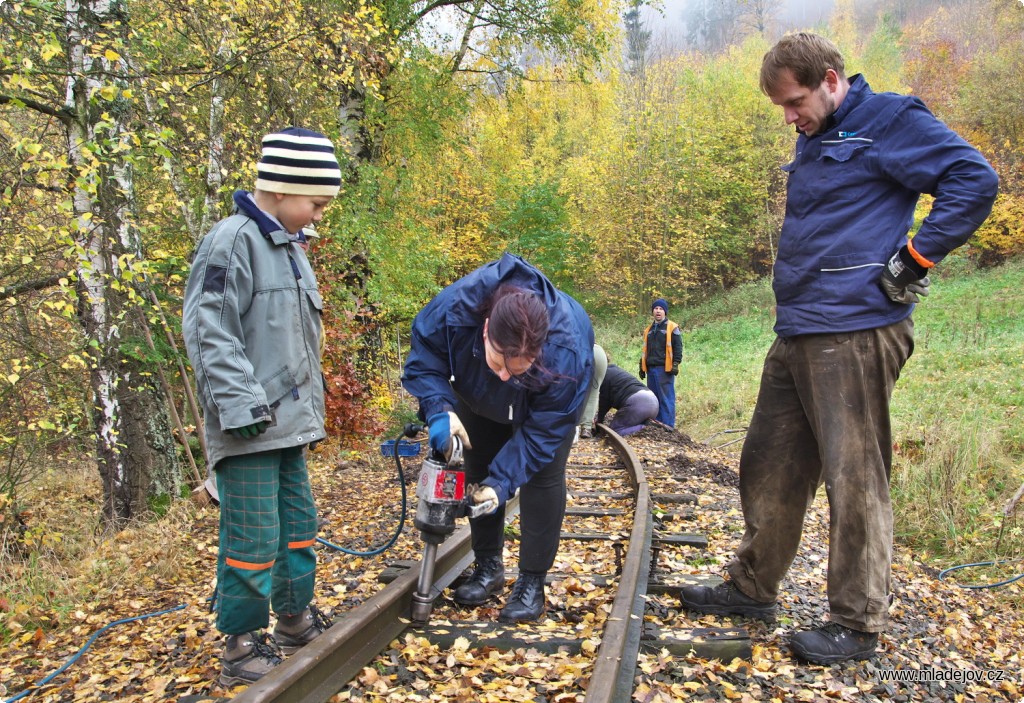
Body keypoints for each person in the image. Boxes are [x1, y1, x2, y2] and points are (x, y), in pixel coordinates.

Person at [679, 33, 998, 665]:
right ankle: (753, 586)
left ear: (830, 79)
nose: (790, 117)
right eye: (783, 109)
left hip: (855, 330)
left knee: (855, 476)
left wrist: (916, 257)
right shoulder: (814, 138)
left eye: (795, 102)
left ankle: (856, 622)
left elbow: (973, 177)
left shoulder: (891, 120)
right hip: (799, 328)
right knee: (768, 462)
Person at [183, 126, 342, 686]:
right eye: (315, 202)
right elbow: (209, 332)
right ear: (280, 188)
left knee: (298, 528)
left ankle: (293, 621)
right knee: (251, 539)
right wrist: (244, 406)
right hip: (249, 424)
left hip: (288, 425)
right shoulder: (232, 242)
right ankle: (240, 644)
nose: (319, 215)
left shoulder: (292, 251)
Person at [402, 253, 594, 623]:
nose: (506, 375)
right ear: (485, 328)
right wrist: (439, 408)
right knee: (479, 463)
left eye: (518, 368)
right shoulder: (454, 310)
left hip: (545, 399)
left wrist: (504, 483)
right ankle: (488, 566)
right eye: (499, 363)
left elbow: (544, 432)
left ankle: (531, 583)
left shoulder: (566, 351)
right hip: (475, 392)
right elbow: (424, 358)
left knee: (542, 476)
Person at [639, 298, 682, 427]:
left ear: (665, 312)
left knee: (666, 398)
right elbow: (645, 349)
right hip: (651, 368)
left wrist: (676, 363)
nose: (658, 311)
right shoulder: (648, 330)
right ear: (653, 312)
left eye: (661, 309)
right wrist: (642, 366)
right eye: (656, 309)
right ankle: (658, 425)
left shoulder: (672, 327)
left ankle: (668, 426)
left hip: (665, 368)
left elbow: (678, 347)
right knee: (654, 399)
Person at [596, 363, 659, 436]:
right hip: (653, 401)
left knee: (614, 431)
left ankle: (646, 428)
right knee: (629, 424)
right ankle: (647, 424)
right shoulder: (615, 370)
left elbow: (604, 402)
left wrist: (599, 422)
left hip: (638, 403)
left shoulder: (604, 375)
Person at [578, 344, 608, 439]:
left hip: (582, 352)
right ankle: (586, 428)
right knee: (594, 392)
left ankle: (570, 426)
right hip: (600, 354)